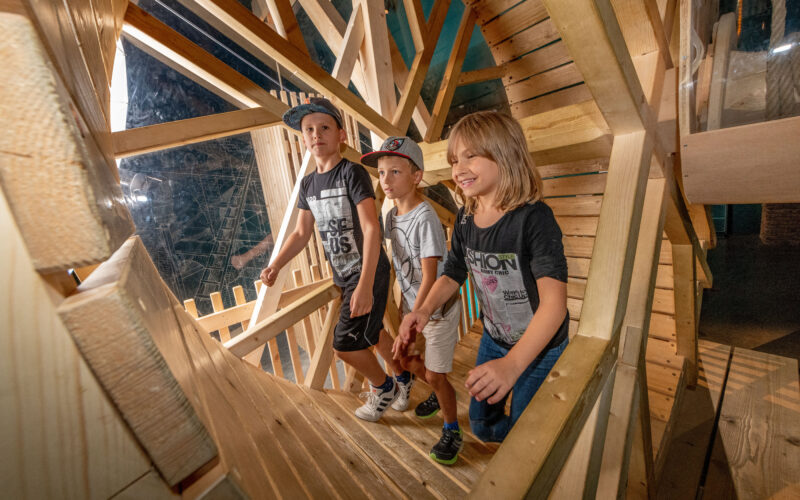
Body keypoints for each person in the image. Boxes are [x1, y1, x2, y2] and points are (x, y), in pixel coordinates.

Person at [399, 111, 569, 443]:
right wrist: (422, 311)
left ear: (505, 153)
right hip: (493, 337)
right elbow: (452, 274)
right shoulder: (465, 219)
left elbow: (554, 305)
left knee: (527, 429)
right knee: (481, 425)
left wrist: (513, 365)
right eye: (453, 161)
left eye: (470, 156)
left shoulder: (534, 219)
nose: (458, 168)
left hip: (539, 345)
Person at [260, 97, 408, 422]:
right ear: (303, 139)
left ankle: (384, 387)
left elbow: (371, 229)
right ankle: (404, 377)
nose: (316, 134)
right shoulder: (308, 184)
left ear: (341, 135)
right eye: (309, 129)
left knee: (344, 345)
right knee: (371, 332)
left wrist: (366, 284)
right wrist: (276, 264)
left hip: (367, 270)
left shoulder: (351, 173)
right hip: (343, 274)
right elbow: (301, 233)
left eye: (325, 127)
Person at [361, 136, 464, 464]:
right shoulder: (391, 217)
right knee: (403, 361)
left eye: (395, 172)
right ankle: (439, 390)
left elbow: (431, 277)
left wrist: (416, 316)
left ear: (416, 177)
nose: (386, 180)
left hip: (437, 308)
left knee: (435, 374)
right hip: (411, 307)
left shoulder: (426, 218)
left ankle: (452, 428)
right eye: (381, 173)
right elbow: (391, 258)